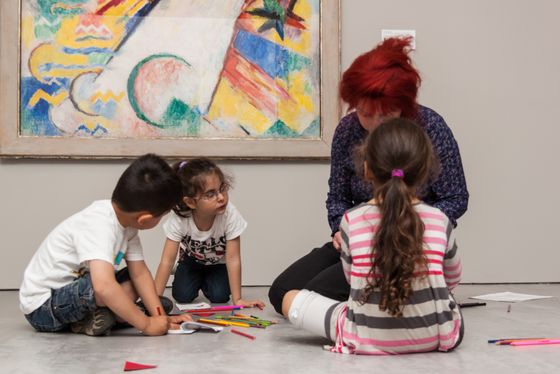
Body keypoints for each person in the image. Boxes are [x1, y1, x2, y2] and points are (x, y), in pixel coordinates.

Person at [269, 37, 469, 314]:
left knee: (314, 295)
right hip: (358, 240)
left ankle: (368, 316)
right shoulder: (347, 131)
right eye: (365, 113)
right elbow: (337, 197)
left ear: (404, 105)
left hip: (407, 246)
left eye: (385, 116)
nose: (374, 125)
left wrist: (416, 225)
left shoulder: (431, 128)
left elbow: (455, 197)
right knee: (281, 292)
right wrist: (341, 230)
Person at [282, 118, 463, 354]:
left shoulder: (351, 221)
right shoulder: (440, 220)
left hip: (362, 335)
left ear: (367, 169)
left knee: (290, 298)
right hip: (435, 335)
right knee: (449, 305)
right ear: (424, 171)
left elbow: (351, 279)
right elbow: (451, 279)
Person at [19, 154, 193, 336]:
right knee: (102, 286)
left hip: (80, 294)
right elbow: (103, 287)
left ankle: (102, 317)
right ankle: (114, 316)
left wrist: (159, 316)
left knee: (134, 280)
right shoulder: (99, 225)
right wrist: (147, 325)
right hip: (44, 308)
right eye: (163, 214)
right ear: (144, 219)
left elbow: (140, 273)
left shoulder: (128, 225)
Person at [154, 158, 264, 309]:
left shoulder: (230, 215)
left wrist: (237, 299)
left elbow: (233, 259)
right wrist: (154, 302)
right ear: (191, 202)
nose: (221, 197)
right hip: (190, 262)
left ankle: (207, 280)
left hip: (217, 263)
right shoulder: (180, 220)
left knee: (220, 296)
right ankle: (184, 273)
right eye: (210, 194)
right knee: (182, 296)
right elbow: (167, 261)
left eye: (222, 188)